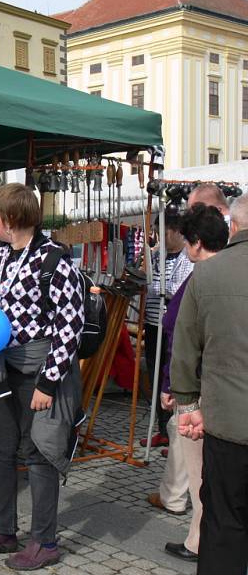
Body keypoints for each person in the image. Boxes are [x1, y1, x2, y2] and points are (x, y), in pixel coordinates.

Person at [0, 183, 85, 570]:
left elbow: (71, 324)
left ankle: (45, 542)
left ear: (12, 218)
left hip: (38, 371)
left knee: (39, 455)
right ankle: (3, 531)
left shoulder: (54, 260)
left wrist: (49, 383)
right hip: (0, 366)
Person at [171, 193, 248, 573]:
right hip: (226, 422)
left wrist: (187, 405)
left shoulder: (207, 274)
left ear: (233, 226)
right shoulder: (207, 274)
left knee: (222, 525)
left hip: (229, 427)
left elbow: (184, 350)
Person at [153, 205, 228, 562]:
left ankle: (199, 541)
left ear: (196, 243)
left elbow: (177, 333)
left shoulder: (201, 279)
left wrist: (172, 385)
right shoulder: (232, 271)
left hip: (199, 390)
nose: (184, 248)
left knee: (201, 475)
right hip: (226, 388)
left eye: (186, 241)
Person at [141, 210, 192, 452]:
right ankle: (161, 428)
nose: (159, 237)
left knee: (171, 378)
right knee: (154, 376)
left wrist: (157, 287)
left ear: (175, 231)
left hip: (172, 328)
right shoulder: (156, 255)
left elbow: (177, 289)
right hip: (153, 325)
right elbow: (150, 286)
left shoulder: (187, 256)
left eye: (163, 232)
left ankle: (174, 429)